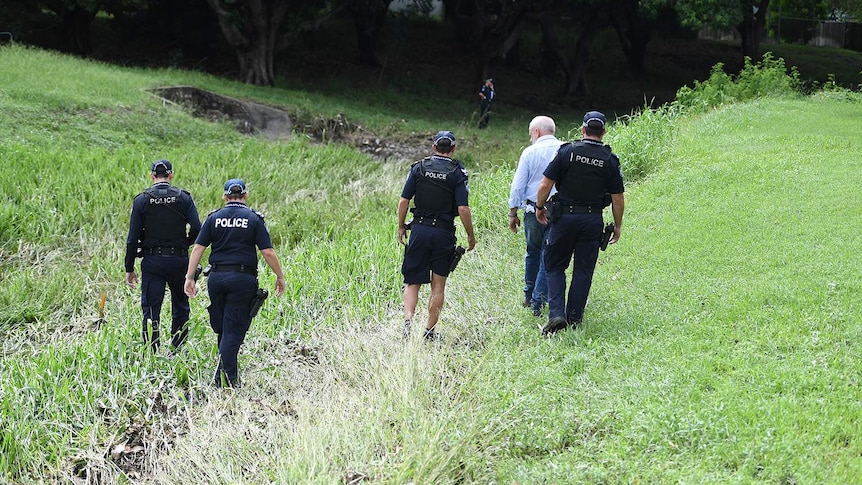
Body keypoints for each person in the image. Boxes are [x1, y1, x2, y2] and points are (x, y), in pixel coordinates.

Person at [184, 179, 286, 388]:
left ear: (225, 196)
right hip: (242, 279)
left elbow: (198, 248)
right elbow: (267, 251)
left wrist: (189, 276)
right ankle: (223, 380)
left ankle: (228, 376)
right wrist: (280, 276)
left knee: (223, 327)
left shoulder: (214, 218)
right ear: (245, 196)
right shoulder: (253, 219)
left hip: (216, 278)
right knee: (234, 328)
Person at [535, 111, 625, 336]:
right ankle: (574, 318)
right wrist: (617, 225)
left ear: (583, 129)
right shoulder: (609, 160)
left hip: (563, 219)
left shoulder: (567, 151)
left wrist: (539, 207)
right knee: (583, 270)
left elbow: (546, 184)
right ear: (603, 132)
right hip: (592, 220)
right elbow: (617, 198)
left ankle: (556, 314)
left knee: (555, 266)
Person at [398, 131, 476, 341]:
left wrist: (400, 227)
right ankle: (429, 332)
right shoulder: (457, 172)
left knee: (412, 281)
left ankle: (407, 323)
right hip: (443, 233)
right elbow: (463, 208)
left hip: (419, 231)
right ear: (453, 149)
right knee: (438, 285)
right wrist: (470, 235)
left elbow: (404, 201)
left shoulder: (419, 168)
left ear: (433, 147)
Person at [125, 159, 201, 352]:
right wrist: (185, 243)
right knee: (181, 305)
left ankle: (152, 349)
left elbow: (132, 238)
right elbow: (198, 228)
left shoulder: (142, 199)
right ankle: (178, 348)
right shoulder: (183, 197)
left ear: (152, 176)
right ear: (171, 175)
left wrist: (129, 268)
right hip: (179, 260)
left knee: (151, 308)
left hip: (153, 261)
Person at [507, 116, 561, 317]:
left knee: (533, 252)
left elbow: (518, 185)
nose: (531, 138)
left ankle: (531, 297)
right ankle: (540, 297)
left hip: (532, 210)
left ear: (536, 132)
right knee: (549, 254)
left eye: (531, 134)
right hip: (558, 211)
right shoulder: (565, 149)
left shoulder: (529, 152)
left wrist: (513, 212)